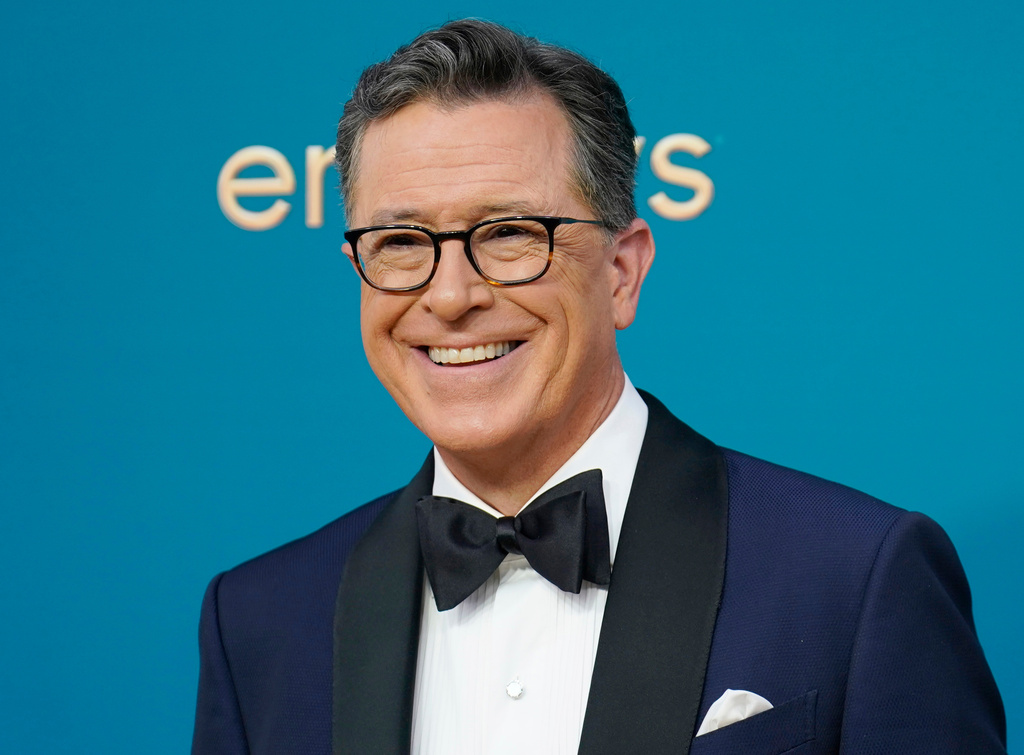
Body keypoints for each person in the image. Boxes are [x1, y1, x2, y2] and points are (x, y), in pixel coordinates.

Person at [191, 19, 1006, 755]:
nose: (449, 296)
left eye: (509, 233)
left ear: (622, 272)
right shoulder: (260, 621)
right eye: (403, 242)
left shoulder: (855, 576)